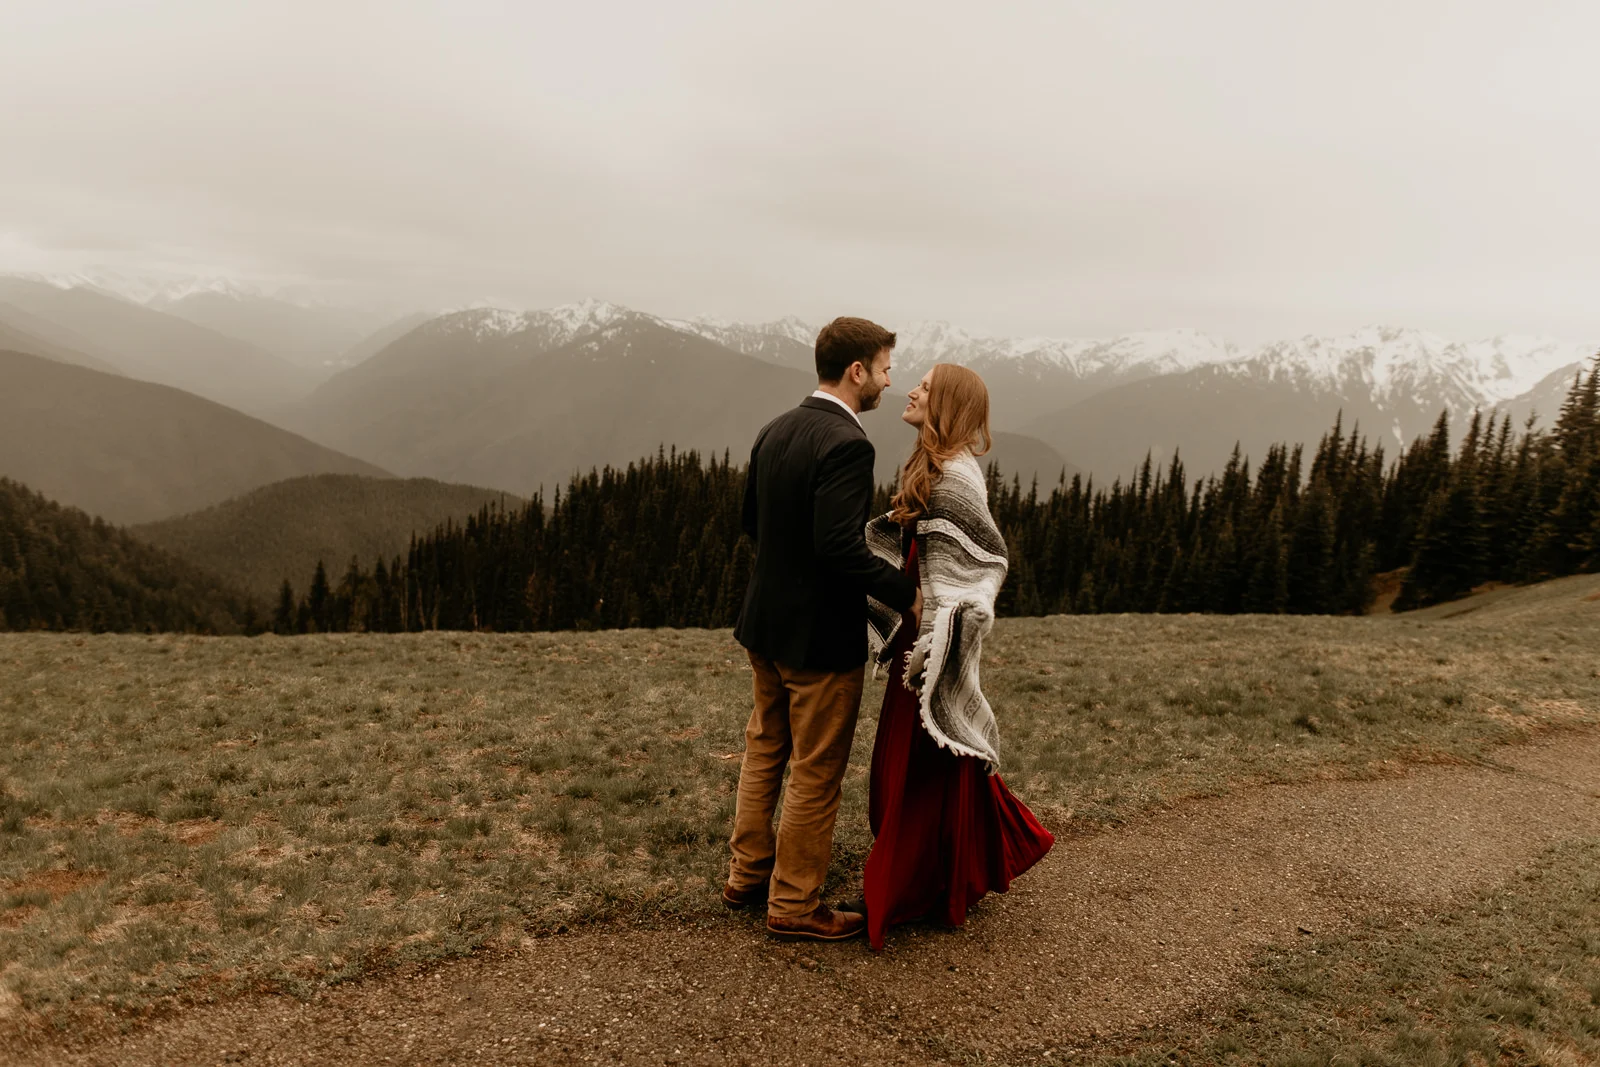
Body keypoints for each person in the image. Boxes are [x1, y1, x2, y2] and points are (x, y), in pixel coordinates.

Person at [725, 316, 923, 942]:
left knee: (765, 749)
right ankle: (794, 903)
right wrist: (906, 593)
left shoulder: (774, 429)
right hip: (819, 639)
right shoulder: (848, 443)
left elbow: (753, 522)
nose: (891, 382)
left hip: (765, 624)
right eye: (886, 369)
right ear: (857, 371)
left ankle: (747, 875)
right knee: (816, 767)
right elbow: (840, 548)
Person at [854, 362, 1054, 951]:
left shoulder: (956, 475)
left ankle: (907, 887)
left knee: (919, 763)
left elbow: (980, 562)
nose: (911, 390)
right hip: (921, 636)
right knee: (916, 758)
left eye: (925, 386)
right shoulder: (933, 465)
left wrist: (937, 625)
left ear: (947, 405)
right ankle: (944, 874)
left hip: (930, 642)